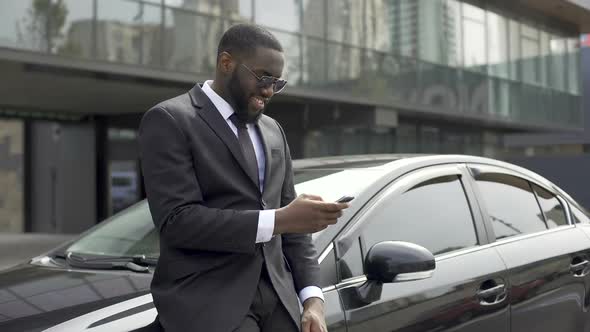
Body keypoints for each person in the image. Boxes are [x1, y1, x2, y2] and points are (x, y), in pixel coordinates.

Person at [138, 23, 349, 332]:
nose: (269, 90)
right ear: (227, 63)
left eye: (277, 82)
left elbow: (295, 229)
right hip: (208, 301)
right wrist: (279, 220)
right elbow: (177, 222)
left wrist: (312, 299)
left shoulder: (273, 130)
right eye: (263, 77)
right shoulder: (170, 120)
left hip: (279, 301)